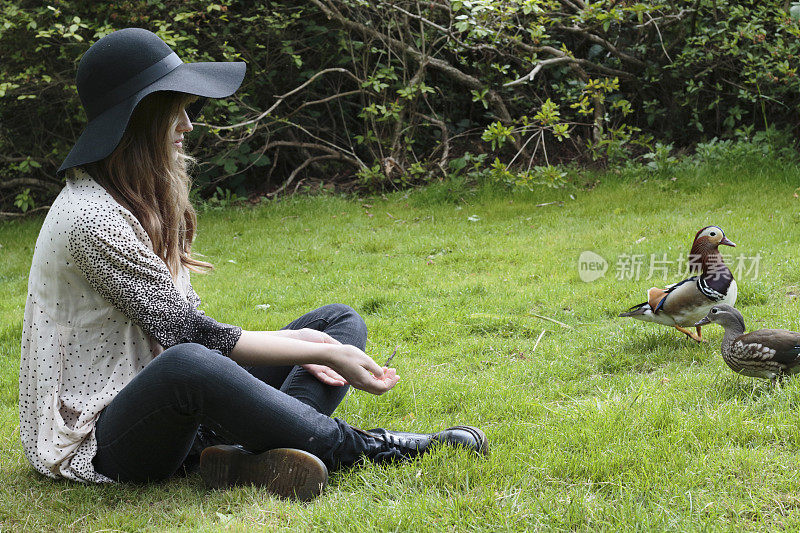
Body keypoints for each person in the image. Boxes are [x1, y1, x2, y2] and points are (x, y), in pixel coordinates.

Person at [18, 28, 487, 501]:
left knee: (336, 322)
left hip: (177, 411)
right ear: (139, 120)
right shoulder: (90, 217)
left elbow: (193, 333)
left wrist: (307, 342)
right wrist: (316, 353)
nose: (188, 125)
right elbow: (188, 335)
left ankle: (253, 454)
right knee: (191, 364)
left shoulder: (133, 199)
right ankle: (360, 448)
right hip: (104, 440)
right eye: (174, 110)